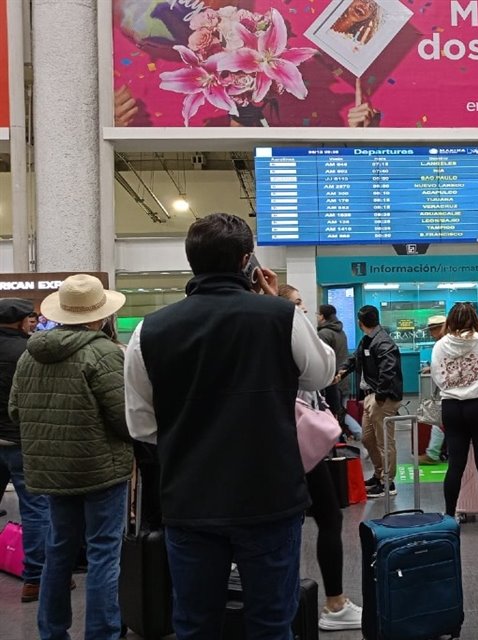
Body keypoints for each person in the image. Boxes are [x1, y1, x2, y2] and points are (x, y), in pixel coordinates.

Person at [124, 213, 336, 640]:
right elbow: (321, 375)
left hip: (190, 500)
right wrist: (277, 300)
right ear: (247, 261)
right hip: (269, 497)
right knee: (272, 622)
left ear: (191, 263)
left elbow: (142, 425)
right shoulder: (280, 316)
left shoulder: (150, 329)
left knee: (195, 623)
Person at [11, 275, 131, 639]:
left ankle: (52, 631)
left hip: (51, 472)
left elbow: (16, 411)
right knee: (103, 553)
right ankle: (102, 633)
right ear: (99, 316)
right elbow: (124, 417)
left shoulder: (30, 354)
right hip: (101, 468)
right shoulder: (104, 352)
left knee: (58, 551)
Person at [279, 286, 362, 631]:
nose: (304, 309)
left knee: (288, 523)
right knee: (328, 517)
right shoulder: (294, 332)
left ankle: (285, 604)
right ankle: (334, 603)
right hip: (301, 443)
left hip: (281, 443)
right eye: (297, 303)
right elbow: (322, 371)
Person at [431, 303, 478, 536]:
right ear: (474, 320)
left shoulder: (440, 345)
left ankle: (449, 517)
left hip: (452, 407)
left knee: (455, 465)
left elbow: (437, 376)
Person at [0, 298, 50, 603]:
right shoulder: (29, 353)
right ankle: (36, 578)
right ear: (21, 323)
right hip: (20, 441)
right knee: (35, 510)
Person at [338, 305, 403, 499]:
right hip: (370, 396)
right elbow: (355, 359)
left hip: (380, 398)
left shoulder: (382, 342)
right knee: (368, 439)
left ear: (360, 323)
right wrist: (342, 371)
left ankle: (388, 483)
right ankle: (378, 475)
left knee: (384, 441)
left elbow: (388, 370)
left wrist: (380, 397)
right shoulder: (367, 340)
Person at [315, 302, 351, 431]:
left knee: (335, 413)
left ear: (323, 316)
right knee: (342, 411)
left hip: (333, 380)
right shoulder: (341, 332)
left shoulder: (324, 334)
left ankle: (358, 432)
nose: (316, 317)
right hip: (343, 377)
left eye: (317, 314)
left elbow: (322, 359)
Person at [420, 314, 447, 466]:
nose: (431, 333)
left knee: (439, 422)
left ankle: (433, 453)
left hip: (451, 393)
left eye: (432, 330)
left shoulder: (443, 344)